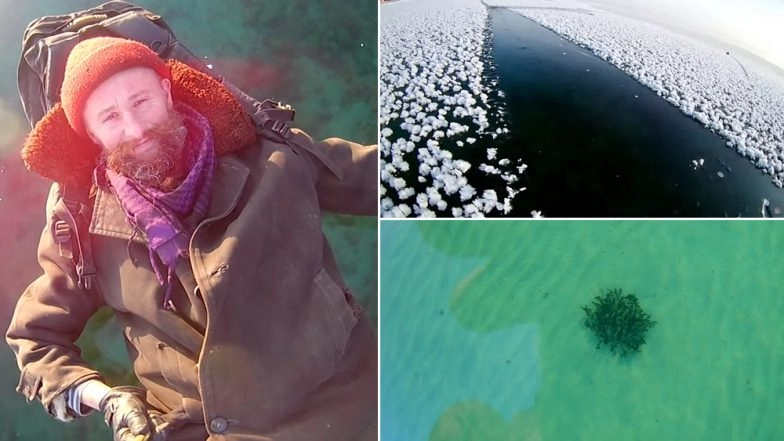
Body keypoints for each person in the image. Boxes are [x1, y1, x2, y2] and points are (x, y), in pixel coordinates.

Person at [5, 36, 378, 441]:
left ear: (166, 90)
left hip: (342, 409)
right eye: (110, 117)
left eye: (141, 101)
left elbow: (376, 175)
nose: (136, 129)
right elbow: (35, 337)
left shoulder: (271, 160)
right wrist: (108, 400)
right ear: (91, 134)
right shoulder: (82, 227)